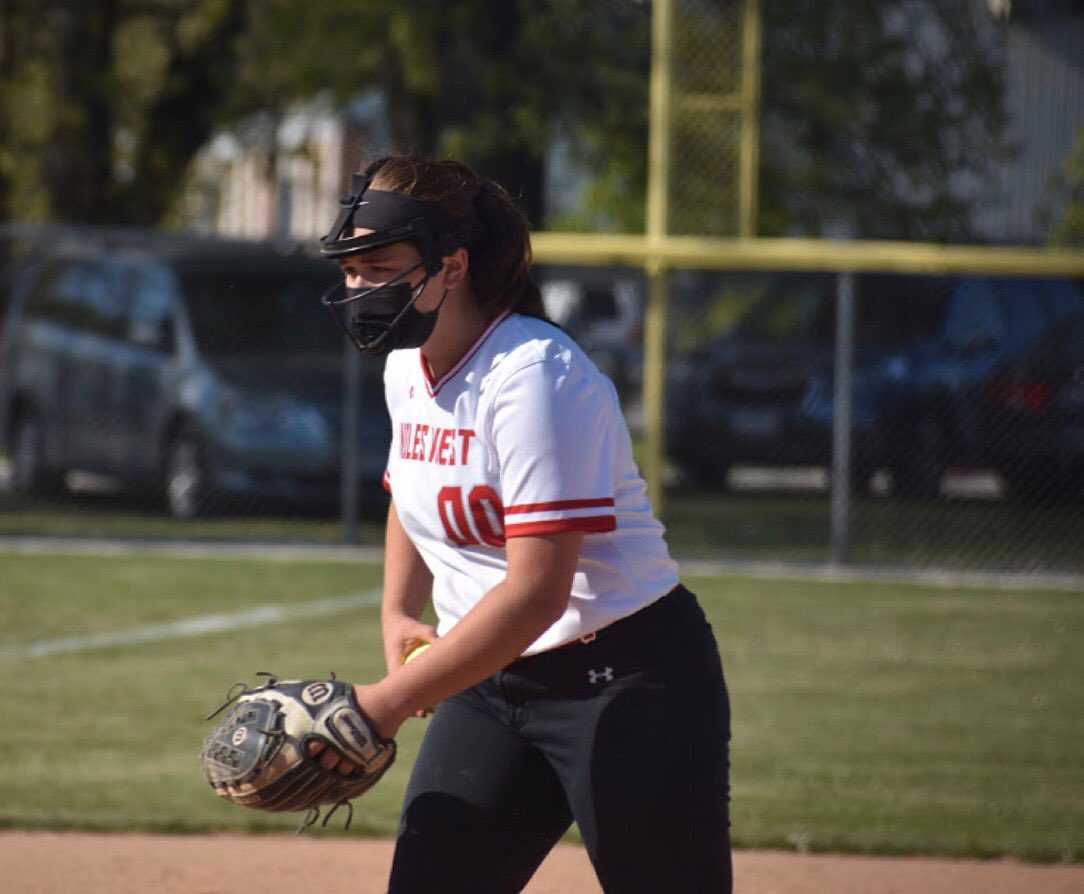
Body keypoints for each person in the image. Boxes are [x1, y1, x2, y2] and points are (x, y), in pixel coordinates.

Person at [316, 154, 732, 893]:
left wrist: (387, 703)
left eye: (378, 265)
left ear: (452, 267)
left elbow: (538, 593)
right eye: (351, 269)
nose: (358, 286)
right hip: (493, 678)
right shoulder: (405, 366)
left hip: (628, 682)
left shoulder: (535, 373)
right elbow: (410, 492)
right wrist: (395, 611)